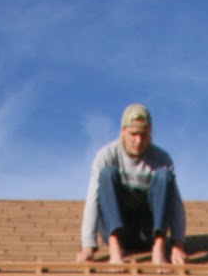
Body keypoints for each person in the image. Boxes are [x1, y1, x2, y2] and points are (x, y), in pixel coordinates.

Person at [76, 105, 187, 267]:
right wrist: (88, 245)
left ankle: (159, 248)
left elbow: (175, 203)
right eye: (133, 134)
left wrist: (177, 245)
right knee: (107, 174)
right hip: (119, 230)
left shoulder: (162, 159)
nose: (139, 140)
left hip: (148, 232)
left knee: (164, 175)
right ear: (123, 132)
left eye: (144, 135)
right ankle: (115, 250)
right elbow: (93, 199)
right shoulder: (106, 156)